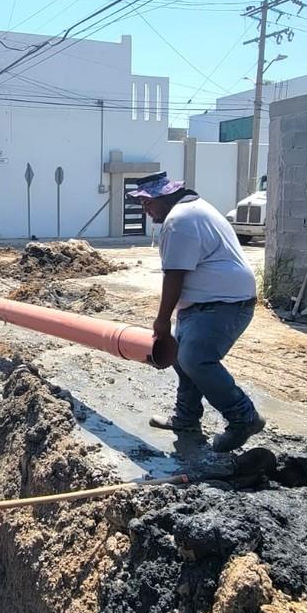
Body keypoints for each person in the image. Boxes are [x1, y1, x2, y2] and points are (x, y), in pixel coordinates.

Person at [128, 171, 264, 453]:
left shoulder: (180, 220)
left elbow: (175, 275)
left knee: (196, 359)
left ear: (165, 197)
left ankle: (243, 416)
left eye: (148, 202)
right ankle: (186, 418)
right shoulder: (191, 211)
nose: (145, 208)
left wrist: (162, 319)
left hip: (224, 304)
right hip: (208, 303)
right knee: (182, 358)